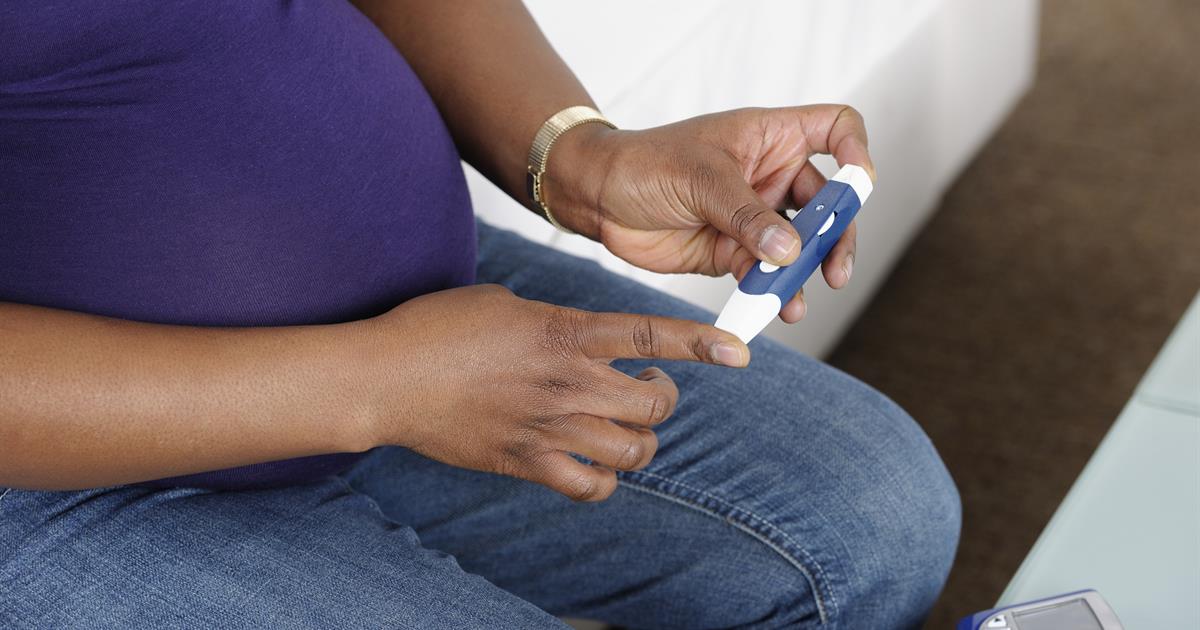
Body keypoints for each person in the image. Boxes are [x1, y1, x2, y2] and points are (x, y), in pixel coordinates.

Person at [0, 2, 960, 628]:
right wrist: (381, 384)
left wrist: (578, 160)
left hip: (423, 324)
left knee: (877, 521)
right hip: (61, 446)